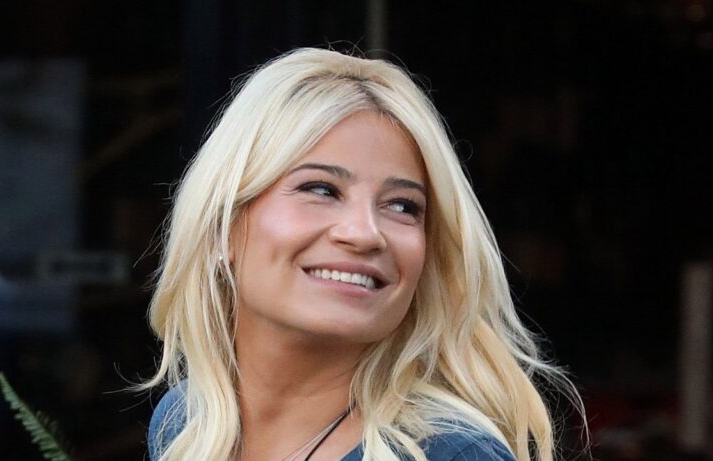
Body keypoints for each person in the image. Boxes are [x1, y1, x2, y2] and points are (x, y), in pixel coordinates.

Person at [143, 48, 584, 461]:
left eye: (402, 206)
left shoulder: (447, 453)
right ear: (222, 226)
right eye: (321, 189)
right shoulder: (187, 424)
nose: (365, 233)